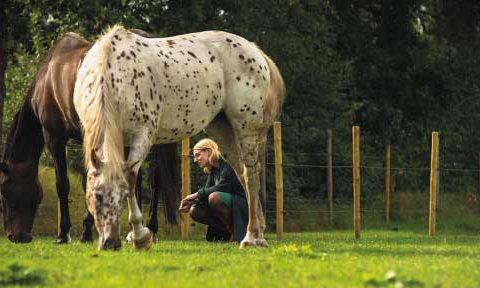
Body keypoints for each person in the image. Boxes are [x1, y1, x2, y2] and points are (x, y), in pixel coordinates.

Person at [179, 138, 248, 242]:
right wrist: (192, 202)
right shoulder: (213, 170)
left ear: (209, 151)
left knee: (214, 198)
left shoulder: (228, 163)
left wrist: (195, 195)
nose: (195, 159)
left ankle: (237, 234)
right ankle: (233, 232)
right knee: (195, 211)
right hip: (230, 204)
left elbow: (223, 187)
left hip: (243, 204)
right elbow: (207, 191)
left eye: (197, 155)